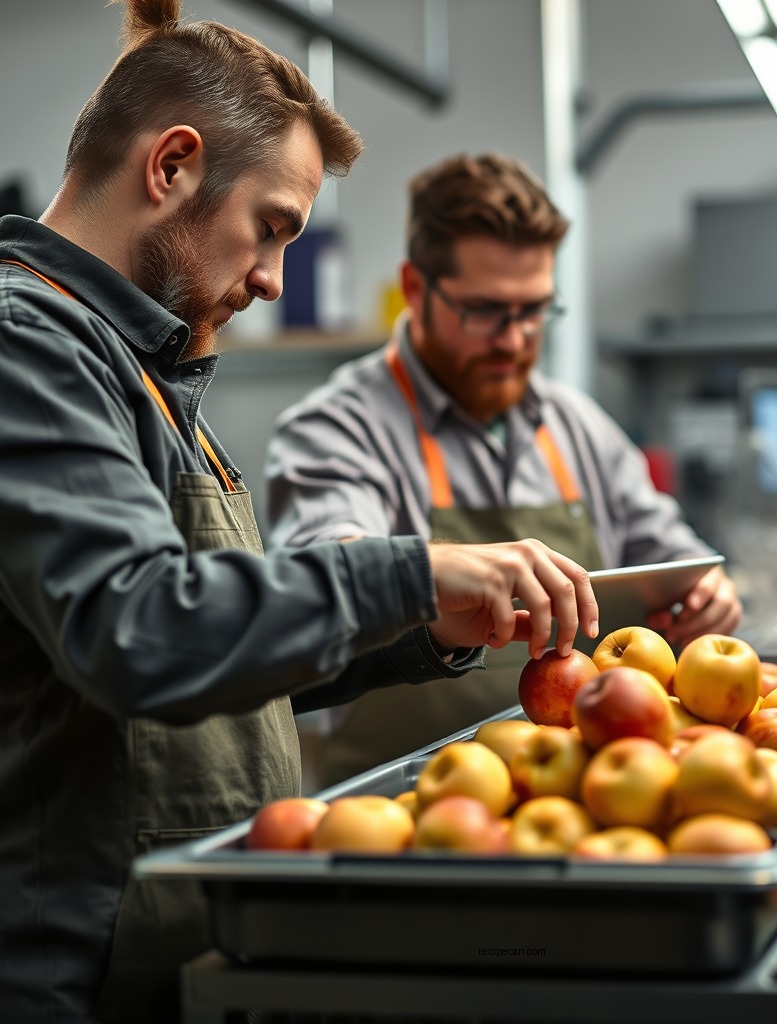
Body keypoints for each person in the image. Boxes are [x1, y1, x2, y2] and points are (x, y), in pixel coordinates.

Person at [0, 7, 600, 1024]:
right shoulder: (28, 349)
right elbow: (138, 627)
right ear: (173, 166)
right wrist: (406, 574)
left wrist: (417, 627)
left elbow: (223, 644)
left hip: (178, 954)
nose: (275, 276)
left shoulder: (145, 370)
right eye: (271, 225)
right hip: (73, 982)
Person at [265, 151, 743, 783]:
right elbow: (325, 577)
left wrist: (708, 600)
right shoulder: (335, 429)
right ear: (415, 289)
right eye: (487, 311)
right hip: (401, 822)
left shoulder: (577, 425)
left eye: (534, 311)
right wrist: (436, 573)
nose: (516, 340)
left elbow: (674, 554)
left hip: (578, 801)